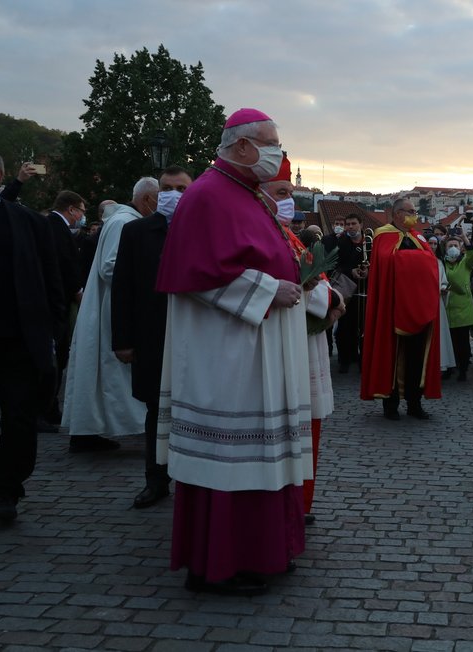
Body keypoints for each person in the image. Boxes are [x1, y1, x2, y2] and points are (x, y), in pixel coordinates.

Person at [154, 108, 311, 595]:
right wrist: (268, 291)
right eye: (270, 142)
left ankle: (261, 550)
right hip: (226, 355)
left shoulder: (241, 192)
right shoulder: (207, 194)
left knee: (257, 456)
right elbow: (201, 273)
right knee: (231, 456)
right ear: (241, 146)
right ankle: (217, 565)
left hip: (252, 346)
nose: (277, 152)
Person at [0, 144, 66, 523]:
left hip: (18, 338)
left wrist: (53, 328)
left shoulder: (28, 222)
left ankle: (7, 489)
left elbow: (51, 279)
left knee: (18, 417)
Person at [260, 154, 343, 524]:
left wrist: (331, 296)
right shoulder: (268, 235)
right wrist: (331, 299)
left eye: (290, 192)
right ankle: (291, 504)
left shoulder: (289, 235)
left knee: (307, 430)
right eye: (282, 192)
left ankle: (299, 503)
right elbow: (298, 286)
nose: (288, 200)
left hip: (306, 341)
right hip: (288, 342)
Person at [111, 166, 193, 509]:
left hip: (194, 337)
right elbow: (122, 288)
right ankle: (155, 479)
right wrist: (122, 340)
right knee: (155, 412)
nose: (173, 194)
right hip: (151, 335)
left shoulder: (203, 230)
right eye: (167, 188)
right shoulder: (136, 231)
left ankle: (192, 480)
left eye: (181, 188)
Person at [62, 178, 158, 452]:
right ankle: (91, 431)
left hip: (107, 306)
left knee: (101, 374)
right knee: (109, 372)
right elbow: (110, 266)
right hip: (110, 309)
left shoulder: (121, 220)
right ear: (147, 200)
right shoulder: (125, 223)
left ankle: (90, 430)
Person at [361, 198, 441, 420]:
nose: (414, 215)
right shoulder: (383, 236)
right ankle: (391, 403)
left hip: (419, 308)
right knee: (391, 356)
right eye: (410, 211)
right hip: (393, 308)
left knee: (416, 357)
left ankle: (415, 403)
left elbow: (432, 262)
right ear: (396, 214)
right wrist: (417, 260)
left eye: (415, 211)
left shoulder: (418, 237)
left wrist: (417, 260)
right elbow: (388, 261)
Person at [42, 190, 86, 430]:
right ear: (71, 209)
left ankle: (48, 409)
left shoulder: (53, 226)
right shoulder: (56, 228)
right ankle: (46, 409)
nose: (81, 215)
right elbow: (64, 264)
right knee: (56, 355)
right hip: (56, 302)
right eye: (80, 210)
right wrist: (77, 290)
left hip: (57, 299)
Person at [442, 222, 473, 381]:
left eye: (455, 245)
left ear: (460, 248)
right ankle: (449, 367)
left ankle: (463, 369)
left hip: (463, 309)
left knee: (463, 343)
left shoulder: (465, 262)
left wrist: (464, 237)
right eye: (450, 245)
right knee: (448, 341)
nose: (452, 248)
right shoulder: (441, 263)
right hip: (446, 308)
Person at [330, 213, 367, 373]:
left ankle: (364, 360)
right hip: (346, 290)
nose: (350, 227)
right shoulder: (341, 242)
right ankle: (344, 360)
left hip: (365, 290)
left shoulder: (369, 241)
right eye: (348, 224)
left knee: (365, 328)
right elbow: (335, 266)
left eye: (353, 223)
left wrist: (368, 271)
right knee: (345, 327)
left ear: (361, 224)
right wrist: (351, 270)